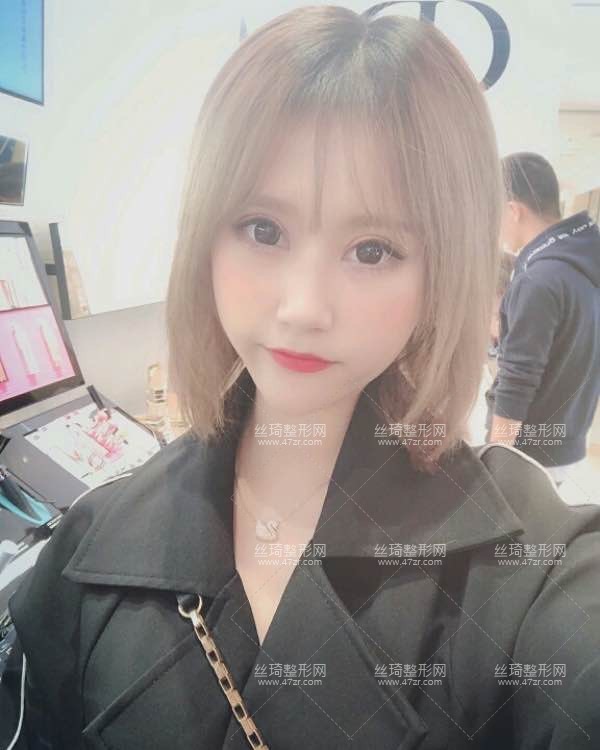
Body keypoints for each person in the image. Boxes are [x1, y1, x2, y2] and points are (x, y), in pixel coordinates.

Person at [2, 6, 600, 749]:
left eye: (372, 249)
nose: (303, 307)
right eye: (264, 230)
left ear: (440, 272)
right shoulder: (92, 547)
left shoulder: (527, 567)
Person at [485, 153, 600, 487]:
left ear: (513, 210)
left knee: (510, 521)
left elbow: (517, 380)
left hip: (528, 454)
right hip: (565, 442)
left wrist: (497, 461)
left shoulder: (539, 279)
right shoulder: (582, 261)